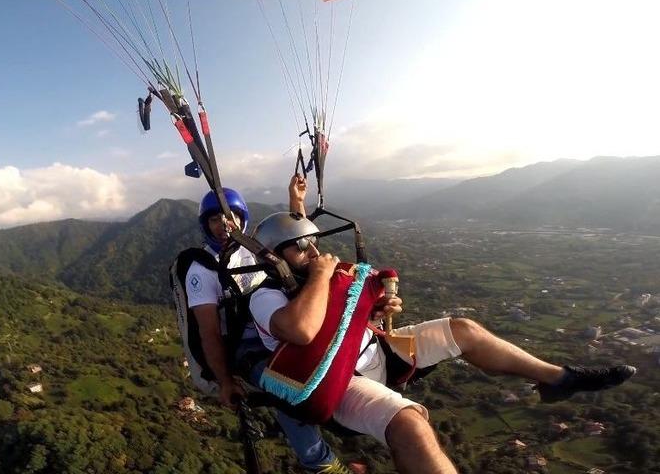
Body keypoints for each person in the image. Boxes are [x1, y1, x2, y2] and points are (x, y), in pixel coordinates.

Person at [248, 211, 637, 474]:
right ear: (274, 258)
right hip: (339, 381)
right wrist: (321, 277)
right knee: (412, 426)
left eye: (315, 244)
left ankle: (558, 379)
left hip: (377, 350)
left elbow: (342, 320)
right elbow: (301, 332)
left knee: (463, 328)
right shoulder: (266, 296)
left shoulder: (325, 280)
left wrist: (375, 310)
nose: (315, 253)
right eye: (302, 248)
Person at [177, 177, 358, 473]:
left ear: (242, 219)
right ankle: (318, 462)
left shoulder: (252, 250)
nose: (224, 225)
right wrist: (224, 381)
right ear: (205, 225)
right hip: (243, 346)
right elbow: (208, 332)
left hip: (273, 325)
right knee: (281, 384)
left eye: (231, 217)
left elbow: (294, 243)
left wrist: (296, 200)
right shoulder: (202, 270)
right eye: (215, 219)